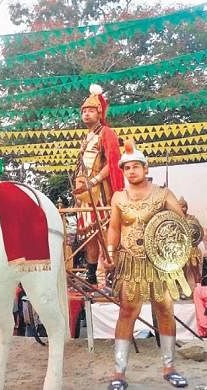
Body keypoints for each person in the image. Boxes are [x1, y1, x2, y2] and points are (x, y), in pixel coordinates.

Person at [105, 142, 190, 390]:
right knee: (127, 311)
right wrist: (111, 253)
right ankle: (119, 372)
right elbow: (114, 227)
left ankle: (169, 367)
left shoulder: (163, 194)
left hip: (159, 263)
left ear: (145, 167)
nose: (131, 171)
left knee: (164, 309)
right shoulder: (119, 197)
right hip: (130, 261)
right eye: (127, 168)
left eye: (135, 166)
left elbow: (180, 224)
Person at [72, 84, 123, 284]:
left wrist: (92, 181)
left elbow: (113, 163)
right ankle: (92, 276)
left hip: (102, 194)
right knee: (89, 237)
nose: (86, 114)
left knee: (104, 233)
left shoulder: (106, 132)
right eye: (84, 111)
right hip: (85, 195)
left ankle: (108, 276)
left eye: (91, 110)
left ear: (99, 112)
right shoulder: (87, 136)